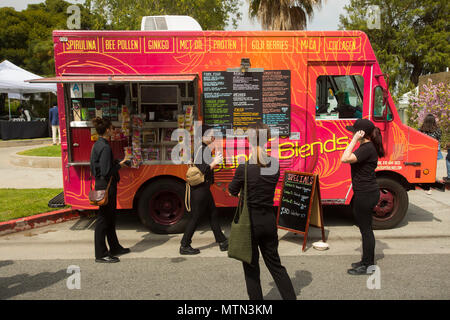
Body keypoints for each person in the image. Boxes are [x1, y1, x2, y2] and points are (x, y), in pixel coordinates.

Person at [228, 122, 296, 300]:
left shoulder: (244, 167)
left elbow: (232, 191)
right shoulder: (274, 165)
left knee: (251, 270)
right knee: (276, 266)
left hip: (249, 224)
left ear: (249, 141)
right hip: (268, 221)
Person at [341, 118, 384, 275]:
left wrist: (354, 139)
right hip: (365, 192)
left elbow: (344, 158)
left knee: (366, 230)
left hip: (366, 194)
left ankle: (368, 265)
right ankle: (365, 260)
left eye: (354, 131)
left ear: (361, 134)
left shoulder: (366, 148)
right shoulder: (366, 147)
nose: (351, 133)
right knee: (364, 229)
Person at [180, 127, 228, 255]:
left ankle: (222, 241)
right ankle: (184, 245)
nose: (213, 138)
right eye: (211, 136)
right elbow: (204, 169)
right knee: (196, 217)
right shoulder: (202, 149)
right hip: (200, 189)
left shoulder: (201, 148)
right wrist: (215, 162)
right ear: (203, 137)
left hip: (202, 188)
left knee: (213, 214)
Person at [90, 117, 130, 263]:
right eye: (112, 129)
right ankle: (101, 254)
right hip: (106, 185)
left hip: (102, 184)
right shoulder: (105, 147)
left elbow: (99, 166)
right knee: (103, 220)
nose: (114, 131)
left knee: (110, 219)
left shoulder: (98, 144)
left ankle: (115, 247)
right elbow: (107, 171)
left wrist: (116, 163)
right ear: (107, 130)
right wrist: (120, 165)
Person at [419, 114, 442, 194]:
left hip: (422, 151)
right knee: (431, 169)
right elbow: (438, 141)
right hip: (433, 152)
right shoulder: (438, 130)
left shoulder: (420, 130)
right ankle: (428, 187)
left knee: (423, 168)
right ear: (434, 121)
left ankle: (424, 184)